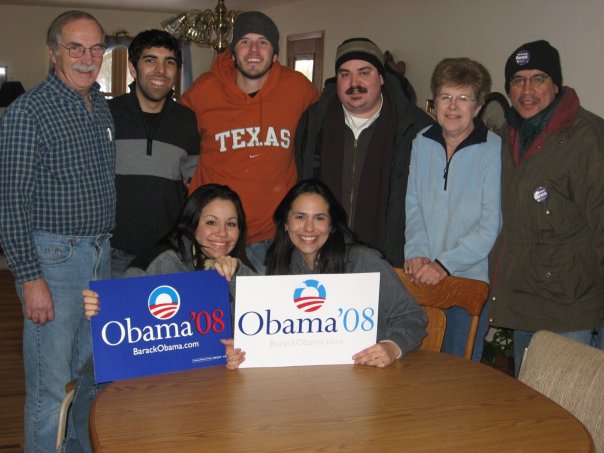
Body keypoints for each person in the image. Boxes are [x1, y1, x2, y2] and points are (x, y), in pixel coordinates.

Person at [63, 184, 253, 452]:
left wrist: (237, 350)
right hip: (128, 381)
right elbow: (116, 336)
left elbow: (258, 329)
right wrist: (100, 309)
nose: (222, 233)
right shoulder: (161, 262)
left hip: (196, 385)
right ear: (191, 224)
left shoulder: (237, 268)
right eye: (211, 222)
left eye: (231, 224)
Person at [0, 11, 115, 452]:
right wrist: (31, 280)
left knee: (90, 375)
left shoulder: (99, 103)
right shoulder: (27, 112)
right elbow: (10, 206)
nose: (87, 59)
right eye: (75, 48)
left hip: (100, 256)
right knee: (50, 390)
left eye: (94, 49)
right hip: (54, 261)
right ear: (53, 52)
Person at [222, 179, 428, 369]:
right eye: (300, 217)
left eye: (319, 218)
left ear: (331, 225)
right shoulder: (284, 265)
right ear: (286, 223)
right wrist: (244, 347)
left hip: (371, 377)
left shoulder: (363, 261)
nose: (309, 228)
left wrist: (392, 347)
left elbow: (413, 317)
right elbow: (274, 330)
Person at [489, 40, 604, 375]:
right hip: (524, 303)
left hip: (573, 308)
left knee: (574, 411)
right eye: (518, 80)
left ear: (556, 84)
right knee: (536, 407)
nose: (527, 90)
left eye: (538, 79)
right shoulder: (505, 136)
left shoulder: (590, 139)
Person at [181, 11, 319, 272]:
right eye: (244, 41)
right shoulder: (205, 89)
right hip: (214, 240)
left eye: (263, 42)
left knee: (268, 312)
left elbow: (333, 115)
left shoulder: (297, 88)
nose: (253, 49)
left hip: (274, 237)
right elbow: (175, 132)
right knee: (215, 312)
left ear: (275, 54)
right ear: (232, 53)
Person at [295, 37, 434, 267]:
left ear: (381, 78)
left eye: (364, 72)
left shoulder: (413, 129)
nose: (354, 82)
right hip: (321, 254)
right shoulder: (313, 123)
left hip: (388, 259)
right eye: (345, 74)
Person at [404, 58, 501, 361]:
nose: (453, 106)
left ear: (478, 105)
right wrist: (417, 253)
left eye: (463, 98)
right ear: (435, 102)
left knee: (459, 374)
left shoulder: (493, 149)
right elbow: (414, 204)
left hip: (468, 281)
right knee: (416, 369)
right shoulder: (422, 141)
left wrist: (443, 265)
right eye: (446, 97)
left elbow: (489, 225)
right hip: (422, 277)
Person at [109, 29, 200, 277]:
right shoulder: (107, 114)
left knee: (168, 316)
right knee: (119, 316)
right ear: (133, 67)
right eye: (150, 60)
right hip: (114, 252)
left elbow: (195, 184)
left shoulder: (187, 120)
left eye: (169, 62)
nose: (161, 70)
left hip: (169, 253)